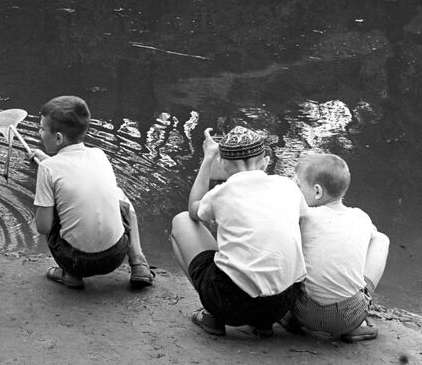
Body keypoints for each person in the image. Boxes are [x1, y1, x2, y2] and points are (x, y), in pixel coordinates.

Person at [170, 125, 306, 336]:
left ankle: (211, 314)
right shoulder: (287, 186)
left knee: (181, 222)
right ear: (264, 162)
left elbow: (193, 208)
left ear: (223, 165)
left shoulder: (222, 193)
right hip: (282, 303)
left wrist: (207, 158)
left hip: (230, 304)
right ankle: (264, 324)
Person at [29, 95, 155, 289]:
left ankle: (71, 275)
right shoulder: (99, 155)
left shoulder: (48, 169)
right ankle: (138, 262)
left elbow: (43, 227)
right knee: (120, 198)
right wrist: (46, 159)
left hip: (75, 261)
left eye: (42, 129)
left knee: (52, 208)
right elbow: (72, 169)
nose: (39, 133)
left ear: (58, 138)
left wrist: (48, 189)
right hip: (115, 256)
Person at [279, 153, 390, 342]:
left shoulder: (305, 217)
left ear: (317, 191)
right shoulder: (360, 217)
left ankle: (289, 318)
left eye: (298, 185)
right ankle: (357, 326)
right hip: (348, 317)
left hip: (303, 312)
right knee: (381, 239)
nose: (296, 190)